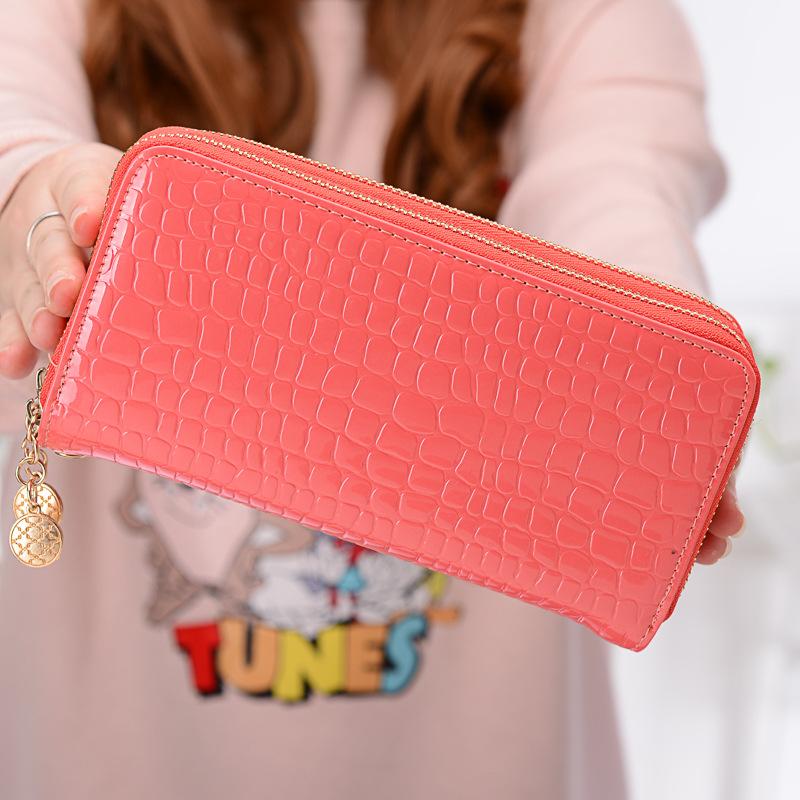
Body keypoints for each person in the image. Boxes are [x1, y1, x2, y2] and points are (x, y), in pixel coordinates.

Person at [0, 0, 745, 798]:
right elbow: (18, 117)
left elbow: (614, 184)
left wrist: (653, 353)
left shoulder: (581, 16)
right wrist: (28, 193)